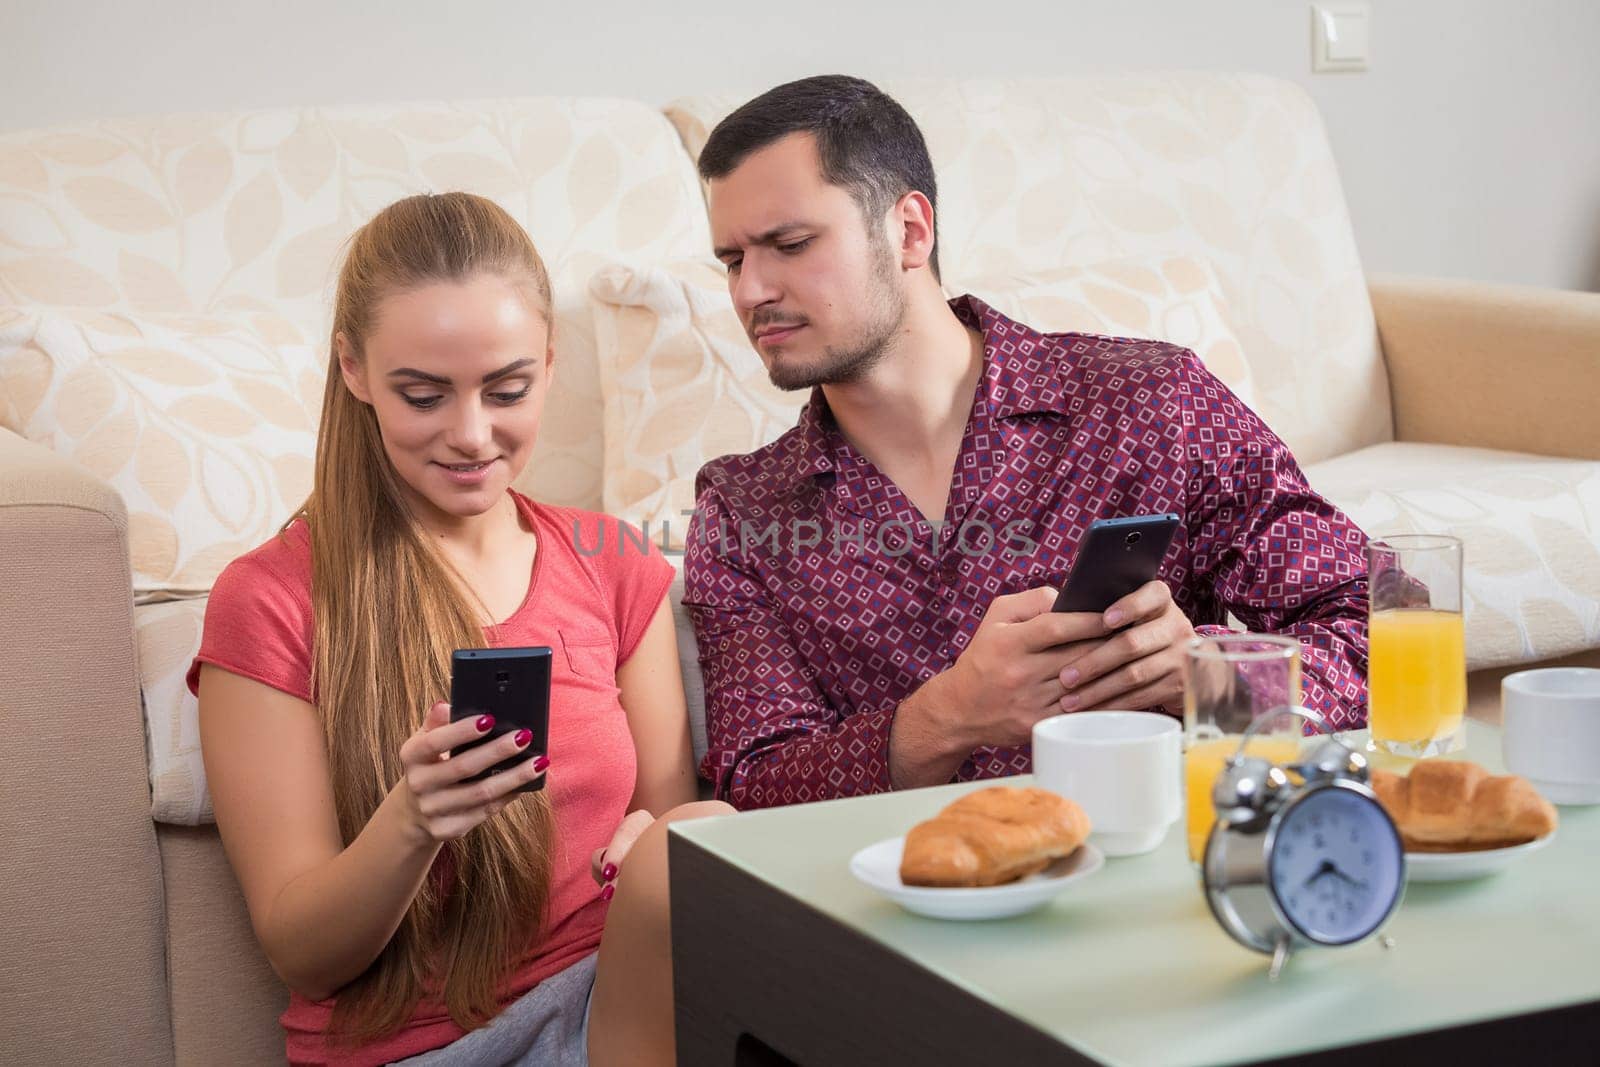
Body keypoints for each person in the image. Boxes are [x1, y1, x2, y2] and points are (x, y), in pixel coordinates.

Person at [682, 76, 1370, 811]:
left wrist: (1212, 679)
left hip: (1154, 868)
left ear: (910, 231)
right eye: (732, 260)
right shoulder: (740, 514)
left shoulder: (1151, 402)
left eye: (789, 244)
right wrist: (948, 715)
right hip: (906, 905)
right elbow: (752, 793)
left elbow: (1379, 630)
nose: (750, 290)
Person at [190, 192, 729, 1066]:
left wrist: (650, 842)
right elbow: (303, 953)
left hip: (615, 1003)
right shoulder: (272, 598)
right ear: (355, 370)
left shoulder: (613, 561)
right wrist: (412, 821)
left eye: (507, 389)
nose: (473, 435)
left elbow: (665, 825)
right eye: (424, 394)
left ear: (551, 365)